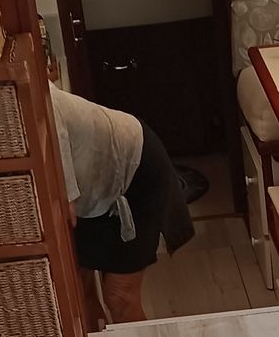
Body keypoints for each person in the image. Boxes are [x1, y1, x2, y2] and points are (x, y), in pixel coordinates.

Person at [50, 87, 194, 323]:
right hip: (91, 190)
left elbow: (66, 215)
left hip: (133, 172)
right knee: (76, 291)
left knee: (120, 297)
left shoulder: (44, 107)